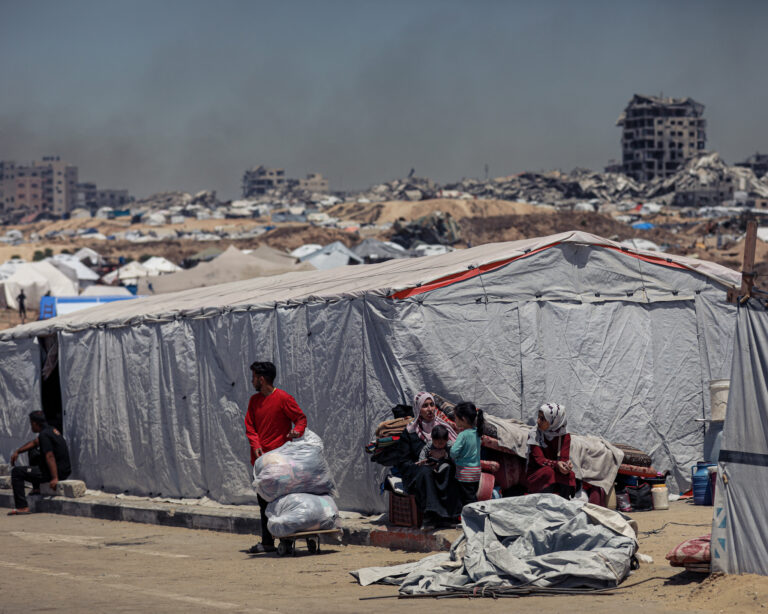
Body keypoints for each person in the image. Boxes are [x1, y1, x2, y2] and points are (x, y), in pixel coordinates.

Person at [244, 361, 307, 553]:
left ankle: (285, 537)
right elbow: (250, 426)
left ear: (261, 379)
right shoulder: (254, 401)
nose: (252, 380)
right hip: (261, 463)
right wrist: (255, 445)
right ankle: (268, 542)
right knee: (263, 502)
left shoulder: (283, 398)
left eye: (254, 377)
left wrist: (297, 431)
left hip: (281, 462)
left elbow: (300, 419)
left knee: (282, 502)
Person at [393, 391, 458, 530]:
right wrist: (422, 464)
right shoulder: (410, 432)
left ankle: (448, 516)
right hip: (418, 472)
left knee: (449, 469)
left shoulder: (442, 428)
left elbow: (454, 450)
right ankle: (430, 516)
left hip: (441, 467)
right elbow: (402, 461)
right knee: (426, 472)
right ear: (418, 409)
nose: (429, 409)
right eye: (425, 406)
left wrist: (444, 457)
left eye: (431, 405)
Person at [8, 411, 71, 515]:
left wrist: (55, 478)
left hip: (57, 473)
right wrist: (18, 451)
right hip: (64, 470)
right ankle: (36, 488)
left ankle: (22, 507)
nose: (31, 426)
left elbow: (49, 456)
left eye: (31, 423)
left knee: (16, 472)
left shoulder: (44, 435)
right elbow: (34, 443)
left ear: (35, 423)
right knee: (33, 451)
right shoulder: (51, 430)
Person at [526, 403, 575, 499]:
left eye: (543, 419)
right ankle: (545, 503)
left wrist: (566, 466)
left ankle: (564, 503)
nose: (538, 421)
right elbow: (539, 460)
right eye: (538, 417)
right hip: (536, 474)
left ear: (554, 421)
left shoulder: (564, 436)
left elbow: (564, 458)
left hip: (555, 470)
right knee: (548, 472)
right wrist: (557, 465)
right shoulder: (534, 434)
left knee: (570, 474)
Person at [449, 402, 483, 509]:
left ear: (463, 419)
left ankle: (473, 520)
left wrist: (455, 457)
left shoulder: (463, 435)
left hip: (465, 473)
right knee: (472, 495)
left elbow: (453, 452)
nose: (455, 420)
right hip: (476, 472)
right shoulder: (477, 432)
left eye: (456, 418)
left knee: (467, 500)